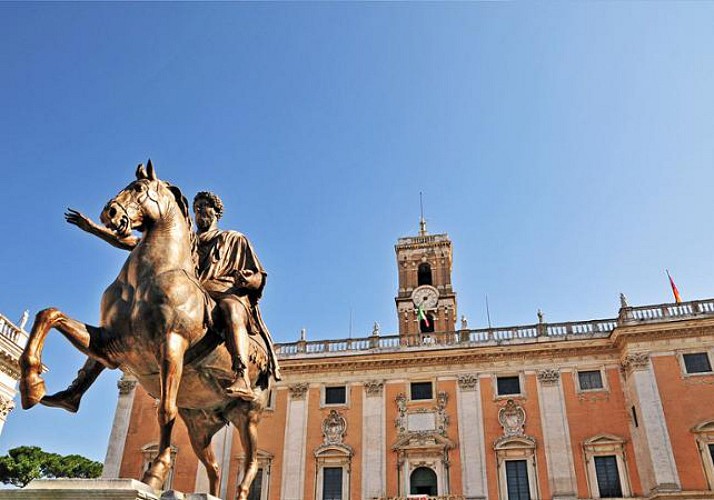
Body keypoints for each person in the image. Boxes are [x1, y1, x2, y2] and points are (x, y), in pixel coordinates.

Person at [43, 191, 280, 411]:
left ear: (216, 213)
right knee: (117, 329)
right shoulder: (186, 241)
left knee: (231, 309)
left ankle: (240, 374)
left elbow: (259, 275)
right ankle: (76, 390)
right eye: (197, 209)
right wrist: (94, 229)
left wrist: (247, 279)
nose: (200, 214)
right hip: (189, 294)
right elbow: (133, 243)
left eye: (205, 209)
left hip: (223, 291)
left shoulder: (234, 239)